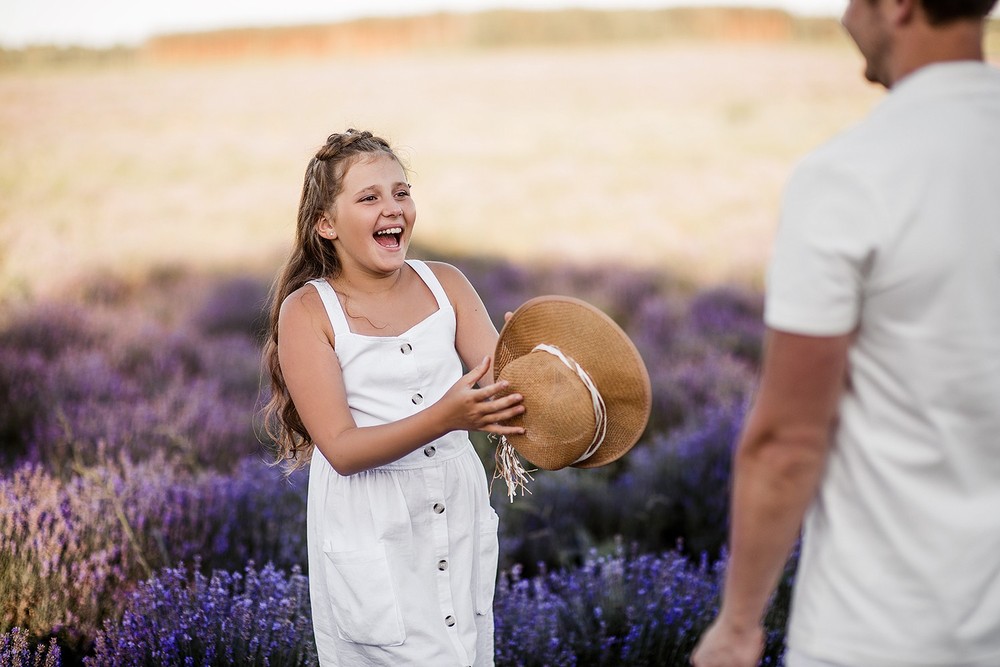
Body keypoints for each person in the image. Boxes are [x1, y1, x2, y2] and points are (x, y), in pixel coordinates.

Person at [691, 1, 1000, 666]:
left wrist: (739, 624)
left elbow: (787, 441)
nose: (839, 15)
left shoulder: (849, 177)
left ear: (897, 7)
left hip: (880, 630)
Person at [261, 129, 525, 666]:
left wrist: (531, 358)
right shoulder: (308, 313)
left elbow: (505, 392)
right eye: (369, 197)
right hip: (373, 525)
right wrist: (446, 417)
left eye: (401, 193)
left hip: (456, 507)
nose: (393, 208)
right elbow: (341, 447)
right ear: (326, 224)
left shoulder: (446, 283)